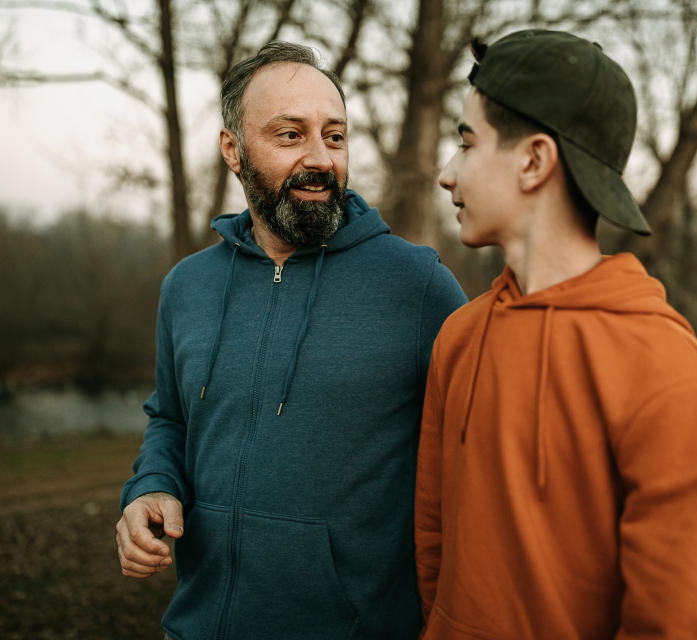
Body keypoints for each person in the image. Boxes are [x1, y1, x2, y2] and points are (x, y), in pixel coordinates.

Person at [115, 41, 466, 640]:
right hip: (196, 627)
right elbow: (170, 418)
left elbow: (477, 461)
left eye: (334, 136)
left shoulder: (418, 286)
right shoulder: (188, 287)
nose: (320, 159)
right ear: (233, 149)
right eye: (289, 135)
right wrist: (151, 487)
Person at [414, 30, 697, 639]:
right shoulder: (458, 337)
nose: (446, 173)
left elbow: (678, 623)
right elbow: (432, 543)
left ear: (534, 161)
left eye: (466, 143)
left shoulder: (666, 368)